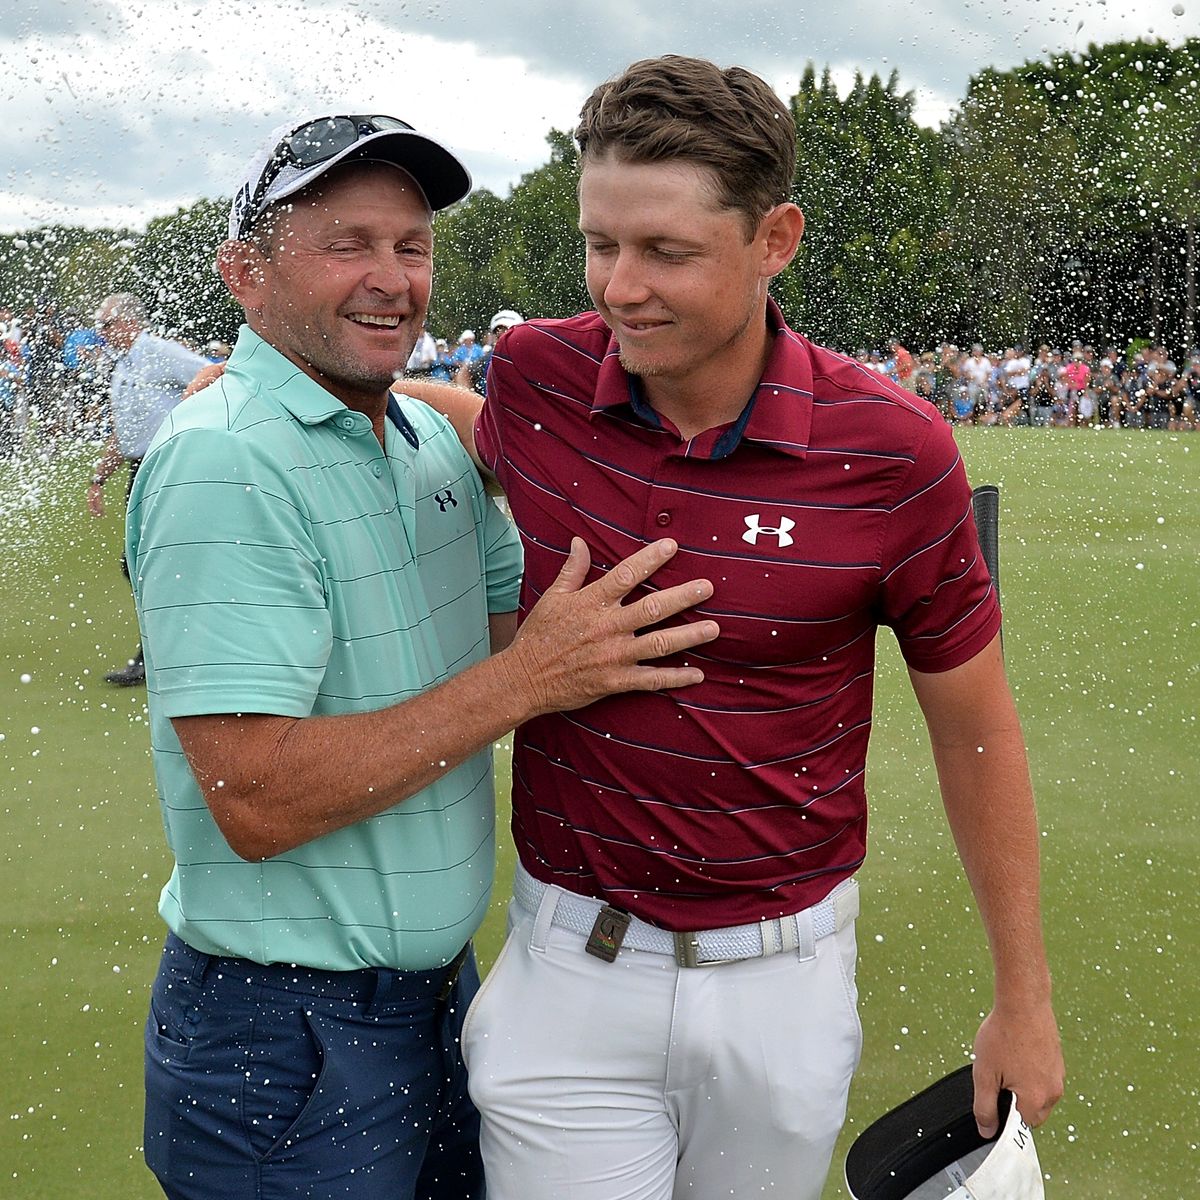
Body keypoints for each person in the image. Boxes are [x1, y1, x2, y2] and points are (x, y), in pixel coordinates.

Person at [406, 55, 1063, 1200]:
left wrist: (1025, 996)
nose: (619, 287)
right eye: (600, 243)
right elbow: (475, 417)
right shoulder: (538, 374)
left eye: (666, 252)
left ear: (776, 241)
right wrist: (272, 383)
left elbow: (975, 733)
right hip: (570, 974)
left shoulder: (895, 452)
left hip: (785, 987)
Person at [126, 112, 718, 1200]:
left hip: (437, 1002)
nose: (390, 278)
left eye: (411, 246)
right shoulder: (224, 464)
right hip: (284, 1033)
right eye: (348, 243)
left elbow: (525, 635)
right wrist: (528, 681)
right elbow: (254, 798)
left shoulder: (419, 441)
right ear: (244, 272)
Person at [87, 293, 210, 685]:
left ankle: (162, 656)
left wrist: (193, 440)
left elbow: (215, 376)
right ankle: (169, 649)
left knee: (153, 563)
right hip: (141, 470)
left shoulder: (159, 351)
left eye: (105, 325)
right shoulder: (122, 364)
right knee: (140, 564)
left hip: (171, 467)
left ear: (126, 323)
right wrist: (98, 478)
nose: (100, 333)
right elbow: (125, 432)